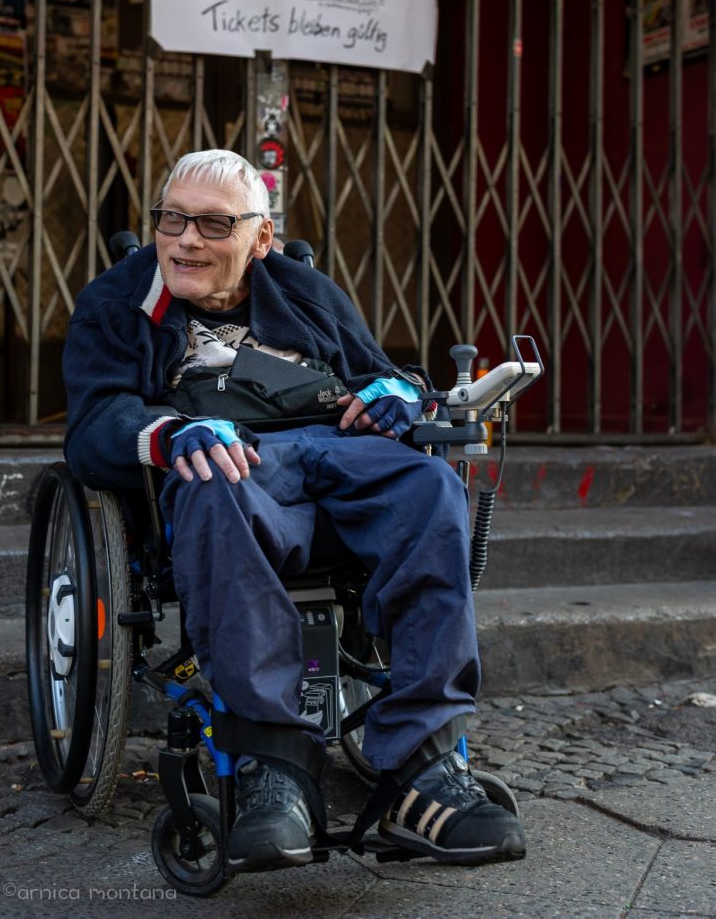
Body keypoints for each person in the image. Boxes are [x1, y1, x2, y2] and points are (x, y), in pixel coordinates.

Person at [63, 149, 526, 873]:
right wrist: (171, 431)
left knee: (430, 486)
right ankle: (273, 767)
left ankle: (423, 767)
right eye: (172, 219)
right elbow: (94, 423)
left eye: (214, 224)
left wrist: (398, 397)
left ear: (262, 238)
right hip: (236, 462)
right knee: (213, 485)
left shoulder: (306, 291)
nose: (185, 240)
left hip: (334, 454)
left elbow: (383, 374)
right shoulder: (116, 302)